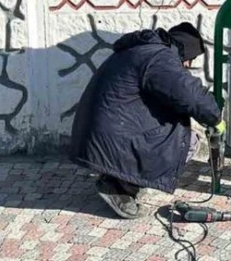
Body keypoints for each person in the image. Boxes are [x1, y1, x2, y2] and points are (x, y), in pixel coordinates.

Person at [70, 22, 223, 219]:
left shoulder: (142, 50)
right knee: (187, 141)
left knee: (172, 123)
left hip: (99, 134)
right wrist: (216, 119)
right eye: (189, 60)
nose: (188, 66)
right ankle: (119, 188)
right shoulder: (160, 58)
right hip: (112, 136)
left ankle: (117, 176)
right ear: (183, 52)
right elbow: (189, 94)